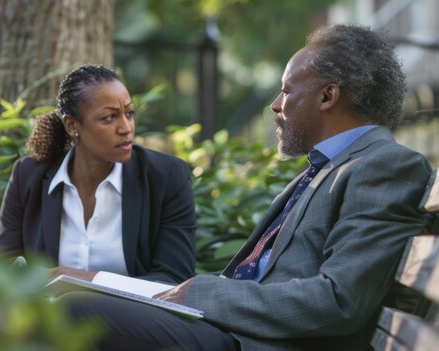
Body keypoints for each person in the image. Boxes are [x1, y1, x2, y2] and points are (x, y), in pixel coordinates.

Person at [65, 24, 433, 350]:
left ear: (327, 96)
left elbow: (340, 300)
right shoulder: (331, 166)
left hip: (255, 341)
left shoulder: (383, 165)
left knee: (73, 314)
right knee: (66, 296)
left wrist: (204, 294)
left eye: (287, 90)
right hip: (233, 330)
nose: (275, 105)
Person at [0, 64, 197, 284]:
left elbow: (174, 280)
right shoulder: (28, 176)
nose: (126, 127)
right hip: (48, 315)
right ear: (72, 126)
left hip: (132, 317)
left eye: (129, 113)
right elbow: (5, 268)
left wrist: (76, 278)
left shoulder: (165, 177)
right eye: (109, 118)